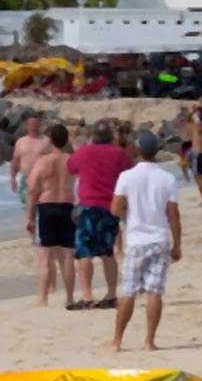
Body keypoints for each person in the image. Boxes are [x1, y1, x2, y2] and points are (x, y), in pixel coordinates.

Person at [109, 130, 182, 353]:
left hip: (137, 239)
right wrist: (177, 243)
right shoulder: (168, 178)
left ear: (138, 150)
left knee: (129, 291)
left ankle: (117, 341)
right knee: (154, 292)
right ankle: (149, 341)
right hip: (159, 238)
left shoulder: (126, 176)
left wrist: (128, 216)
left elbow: (114, 208)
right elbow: (173, 215)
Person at [68, 121, 134, 309]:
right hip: (110, 205)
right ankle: (112, 293)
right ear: (110, 137)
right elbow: (128, 173)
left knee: (84, 252)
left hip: (88, 205)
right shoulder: (119, 154)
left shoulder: (83, 152)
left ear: (93, 136)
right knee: (107, 252)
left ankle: (87, 295)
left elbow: (70, 168)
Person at [27, 123, 77, 307]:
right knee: (67, 255)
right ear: (66, 141)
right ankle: (70, 297)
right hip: (67, 205)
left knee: (45, 256)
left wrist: (29, 217)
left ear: (50, 141)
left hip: (47, 206)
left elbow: (32, 190)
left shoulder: (43, 161)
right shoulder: (72, 160)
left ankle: (42, 299)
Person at [9, 114, 46, 211]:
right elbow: (15, 161)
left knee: (43, 208)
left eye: (36, 124)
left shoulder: (46, 141)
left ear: (39, 125)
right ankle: (31, 224)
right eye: (31, 124)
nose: (34, 126)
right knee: (28, 208)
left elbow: (54, 161)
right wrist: (13, 178)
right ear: (27, 126)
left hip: (43, 179)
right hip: (26, 179)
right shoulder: (21, 142)